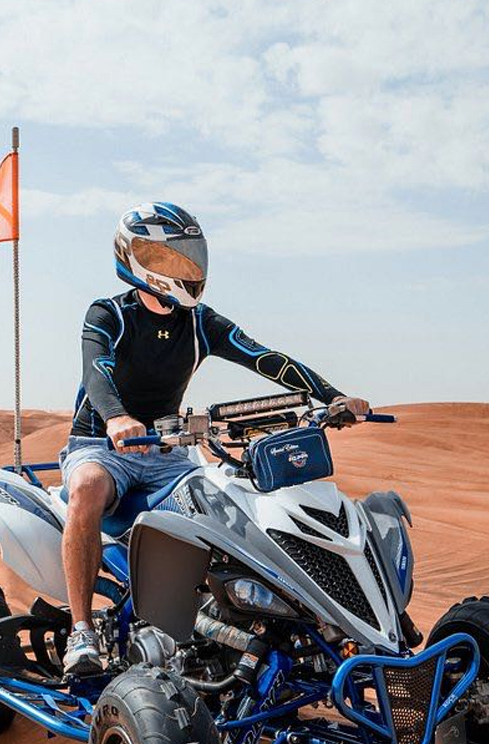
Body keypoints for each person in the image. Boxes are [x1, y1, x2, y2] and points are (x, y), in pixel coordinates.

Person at [60, 202, 370, 675]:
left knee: (228, 506)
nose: (183, 268)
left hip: (168, 452)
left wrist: (332, 396)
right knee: (85, 489)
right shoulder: (108, 315)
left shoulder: (200, 323)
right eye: (168, 258)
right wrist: (117, 418)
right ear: (137, 258)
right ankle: (81, 632)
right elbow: (97, 373)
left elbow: (264, 358)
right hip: (103, 447)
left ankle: (239, 628)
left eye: (186, 256)